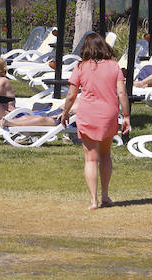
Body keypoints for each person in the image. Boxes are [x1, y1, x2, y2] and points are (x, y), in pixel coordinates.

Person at [59, 32, 130, 210]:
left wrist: (65, 112)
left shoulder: (81, 67)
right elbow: (122, 93)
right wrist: (126, 116)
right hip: (108, 115)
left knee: (90, 159)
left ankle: (93, 200)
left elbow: (71, 95)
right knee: (106, 155)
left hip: (88, 114)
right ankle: (105, 195)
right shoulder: (114, 66)